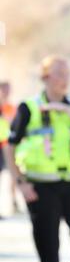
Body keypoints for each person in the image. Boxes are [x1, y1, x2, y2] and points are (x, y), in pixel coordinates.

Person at [5, 56, 70, 262]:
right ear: (46, 77)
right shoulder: (29, 107)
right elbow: (10, 146)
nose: (64, 78)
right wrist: (20, 183)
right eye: (59, 73)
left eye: (67, 73)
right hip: (40, 188)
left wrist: (64, 111)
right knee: (48, 248)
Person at [0, 82, 18, 216]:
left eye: (8, 89)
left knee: (13, 174)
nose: (6, 92)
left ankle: (14, 202)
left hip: (8, 144)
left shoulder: (11, 107)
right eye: (4, 90)